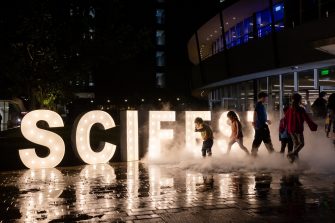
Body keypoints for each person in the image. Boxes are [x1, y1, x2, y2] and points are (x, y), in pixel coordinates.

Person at [286, 93, 318, 163]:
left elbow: (286, 119)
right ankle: (292, 154)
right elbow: (307, 119)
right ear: (299, 100)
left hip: (291, 129)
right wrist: (313, 125)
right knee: (301, 144)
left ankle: (294, 162)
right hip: (298, 129)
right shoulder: (300, 109)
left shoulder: (290, 109)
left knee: (296, 144)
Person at [251, 92, 275, 157]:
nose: (267, 99)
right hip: (261, 127)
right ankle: (253, 155)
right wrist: (255, 124)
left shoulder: (261, 105)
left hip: (262, 126)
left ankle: (272, 154)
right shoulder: (258, 105)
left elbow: (260, 116)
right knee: (259, 141)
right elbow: (255, 114)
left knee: (263, 141)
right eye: (266, 98)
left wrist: (266, 120)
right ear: (262, 97)